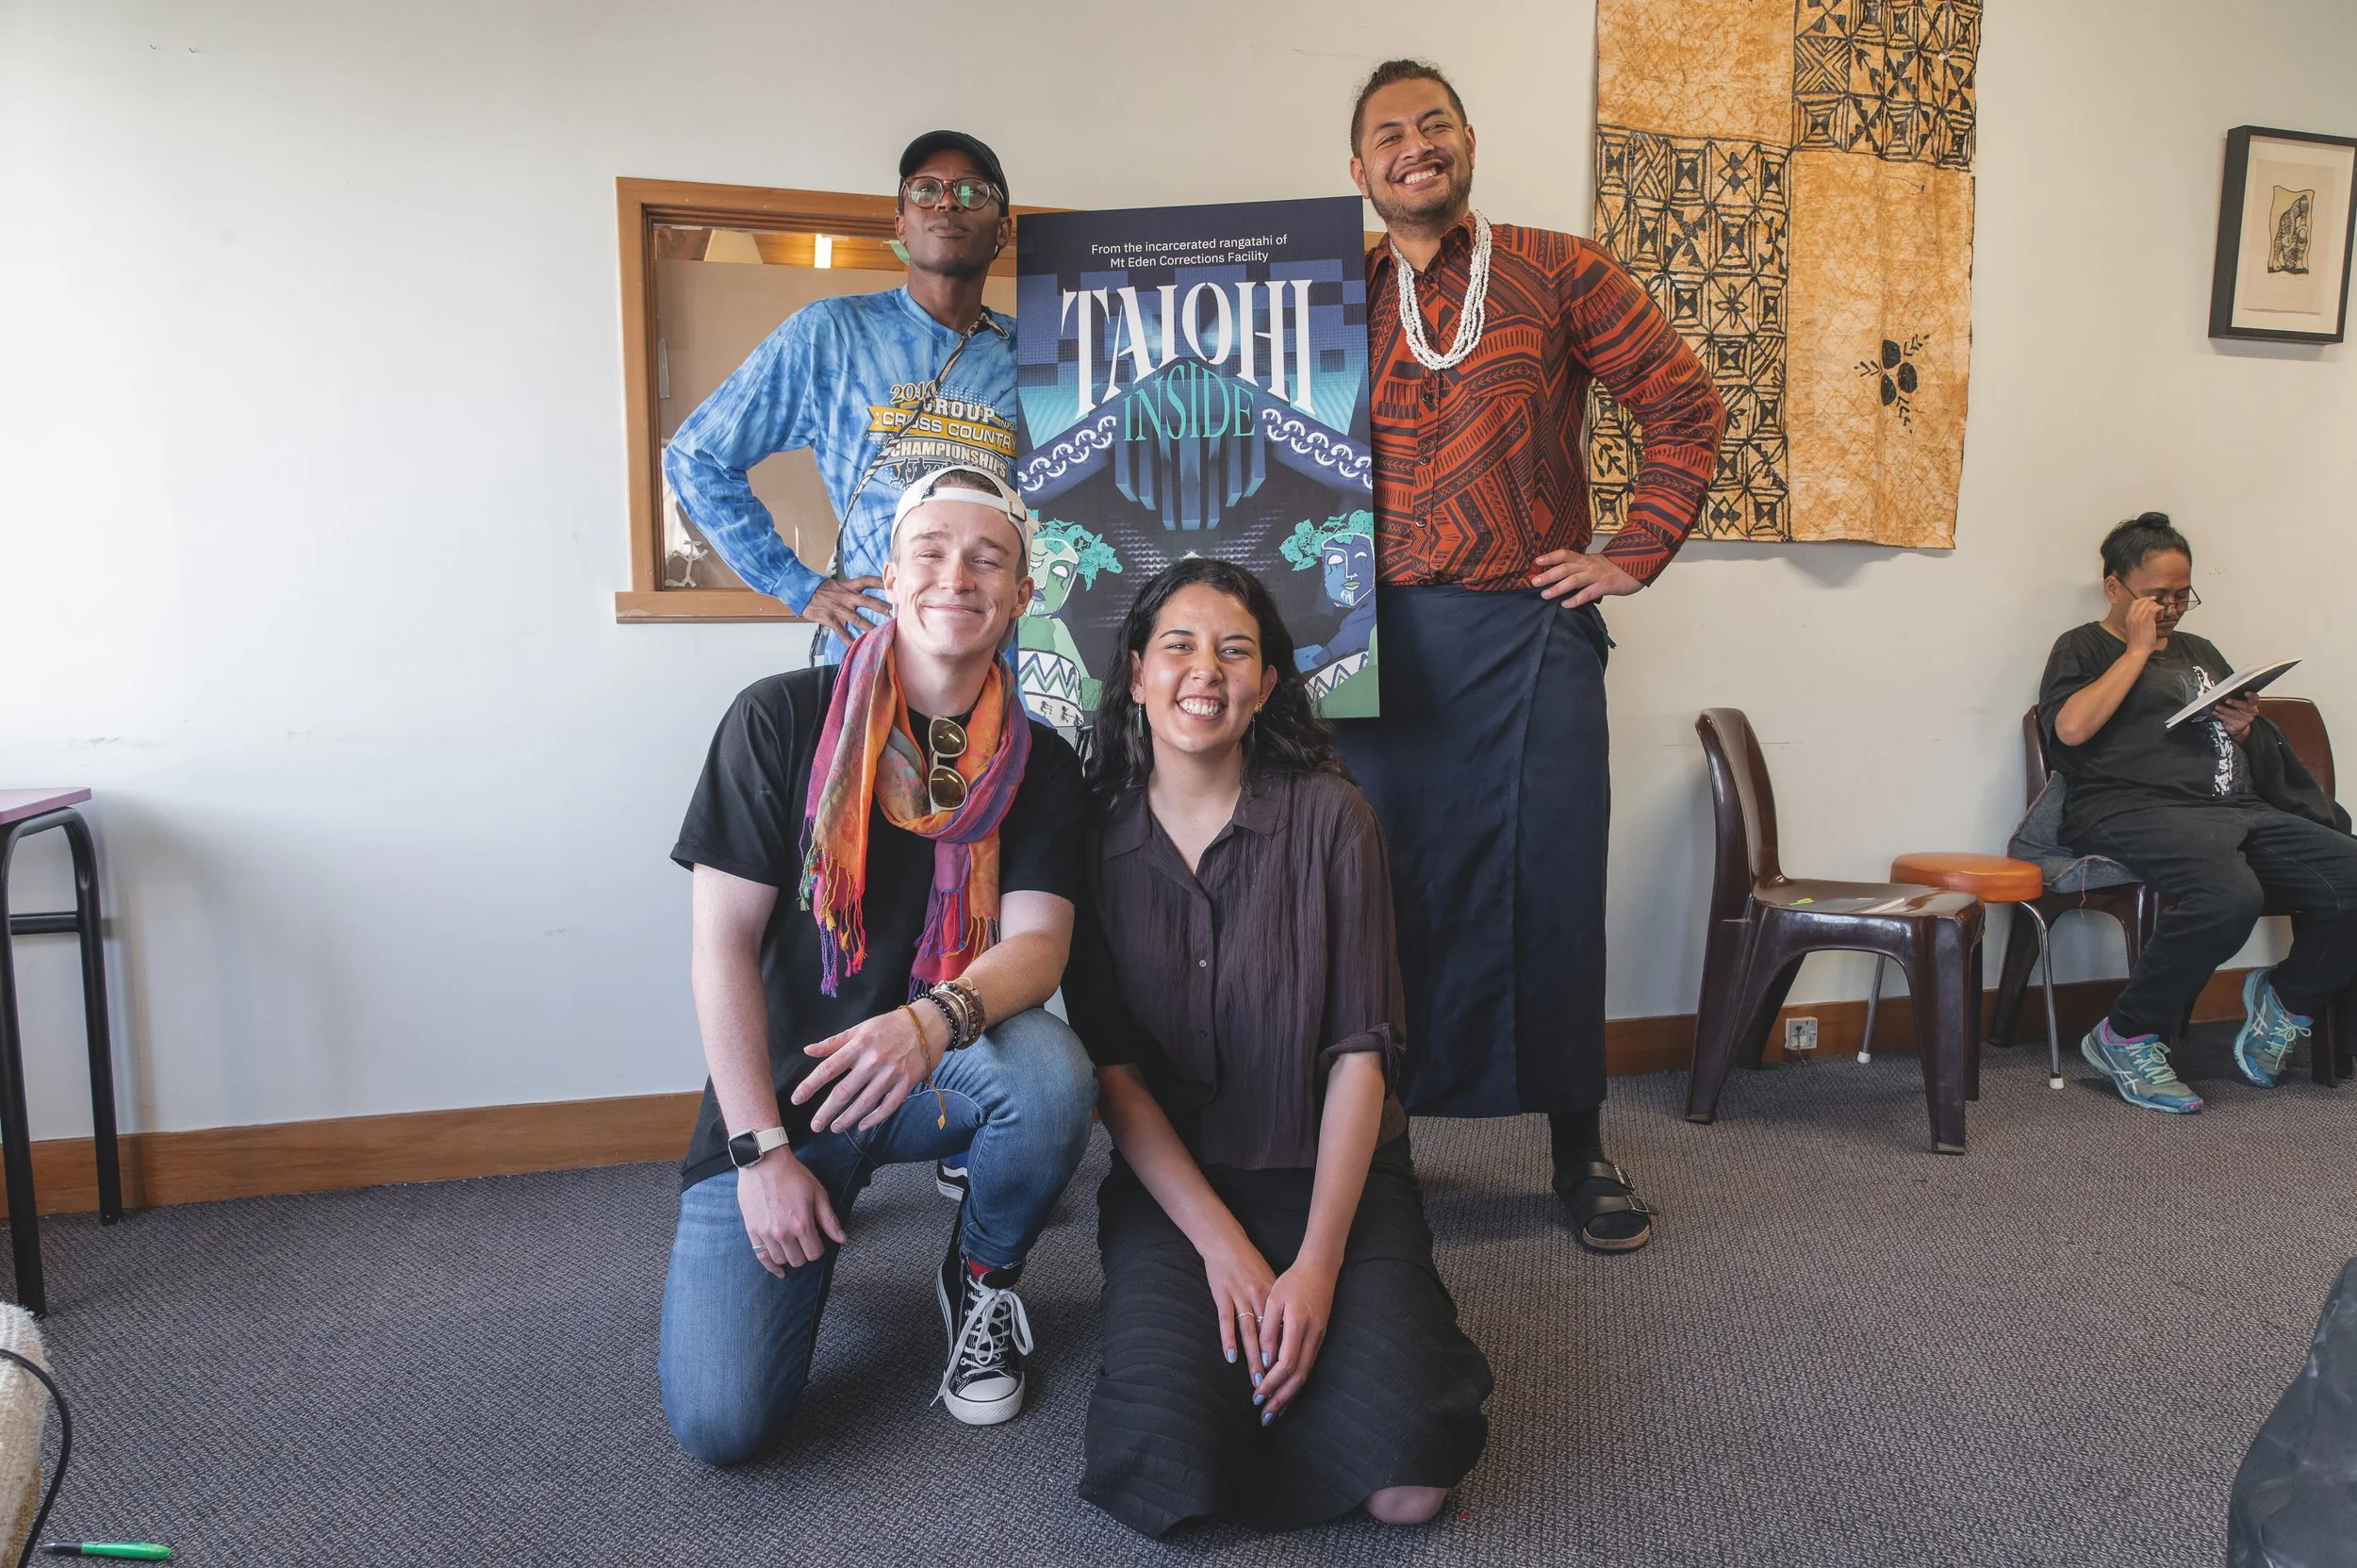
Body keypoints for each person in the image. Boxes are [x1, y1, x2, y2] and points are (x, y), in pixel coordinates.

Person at [1337, 60, 1727, 1249]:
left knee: (1549, 893)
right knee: (1374, 898)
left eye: (1435, 124)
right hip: (1368, 649)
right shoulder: (1318, 294)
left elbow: (1684, 405)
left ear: (1467, 142)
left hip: (1526, 632)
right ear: (1357, 172)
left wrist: (1630, 551)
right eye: (1388, 135)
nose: (1416, 146)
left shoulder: (1560, 268)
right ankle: (1380, 1146)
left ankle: (1580, 1150)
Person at [658, 467, 1095, 1461]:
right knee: (722, 1424)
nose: (957, 575)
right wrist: (760, 1152)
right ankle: (796, 1178)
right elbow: (720, 944)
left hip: (935, 1077)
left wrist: (928, 1022)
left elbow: (1039, 945)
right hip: (791, 1097)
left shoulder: (1045, 764)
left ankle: (979, 1275)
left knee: (1052, 1075)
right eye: (931, 552)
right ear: (889, 575)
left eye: (988, 558)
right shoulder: (776, 720)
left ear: (1023, 597)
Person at [1064, 558, 1492, 1536]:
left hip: (1331, 1174)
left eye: (1233, 650)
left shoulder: (1335, 818)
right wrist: (1225, 1253)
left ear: (1263, 685)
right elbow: (1116, 1077)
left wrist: (1314, 1267)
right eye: (1176, 645)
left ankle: (1314, 1378)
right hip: (1180, 1190)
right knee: (1166, 1476)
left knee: (1407, 1491)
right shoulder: (1090, 839)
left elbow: (1359, 1058)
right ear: (1134, 673)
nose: (1202, 670)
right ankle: (1253, 1388)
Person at [2039, 511, 2357, 1113]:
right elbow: (2072, 729)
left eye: (2183, 596)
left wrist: (2242, 730)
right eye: (2157, 595)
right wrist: (2136, 650)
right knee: (2227, 896)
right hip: (2128, 810)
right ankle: (2126, 1033)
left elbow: (2231, 729)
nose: (2171, 609)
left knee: (2349, 873)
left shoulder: (2200, 650)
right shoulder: (2082, 646)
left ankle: (2286, 1001)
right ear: (2115, 588)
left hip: (2232, 807)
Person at [664, 131, 1019, 653]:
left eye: (972, 192)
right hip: (872, 659)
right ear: (902, 225)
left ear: (1002, 231)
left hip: (997, 660)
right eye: (924, 190)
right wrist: (794, 584)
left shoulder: (1032, 354)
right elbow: (696, 456)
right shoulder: (832, 335)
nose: (946, 201)